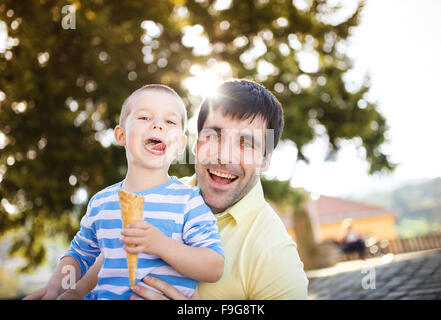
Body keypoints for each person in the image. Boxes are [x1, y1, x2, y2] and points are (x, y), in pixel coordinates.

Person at [60, 79, 308, 300]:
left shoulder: (275, 253)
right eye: (214, 136)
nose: (224, 156)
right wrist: (75, 290)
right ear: (196, 143)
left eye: (245, 143)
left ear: (265, 160)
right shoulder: (164, 191)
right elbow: (115, 246)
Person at [24, 84, 224, 300]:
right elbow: (79, 256)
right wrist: (57, 288)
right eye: (145, 117)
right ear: (121, 135)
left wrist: (162, 245)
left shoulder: (189, 201)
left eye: (170, 121)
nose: (158, 126)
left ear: (180, 145)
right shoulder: (100, 203)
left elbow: (213, 266)